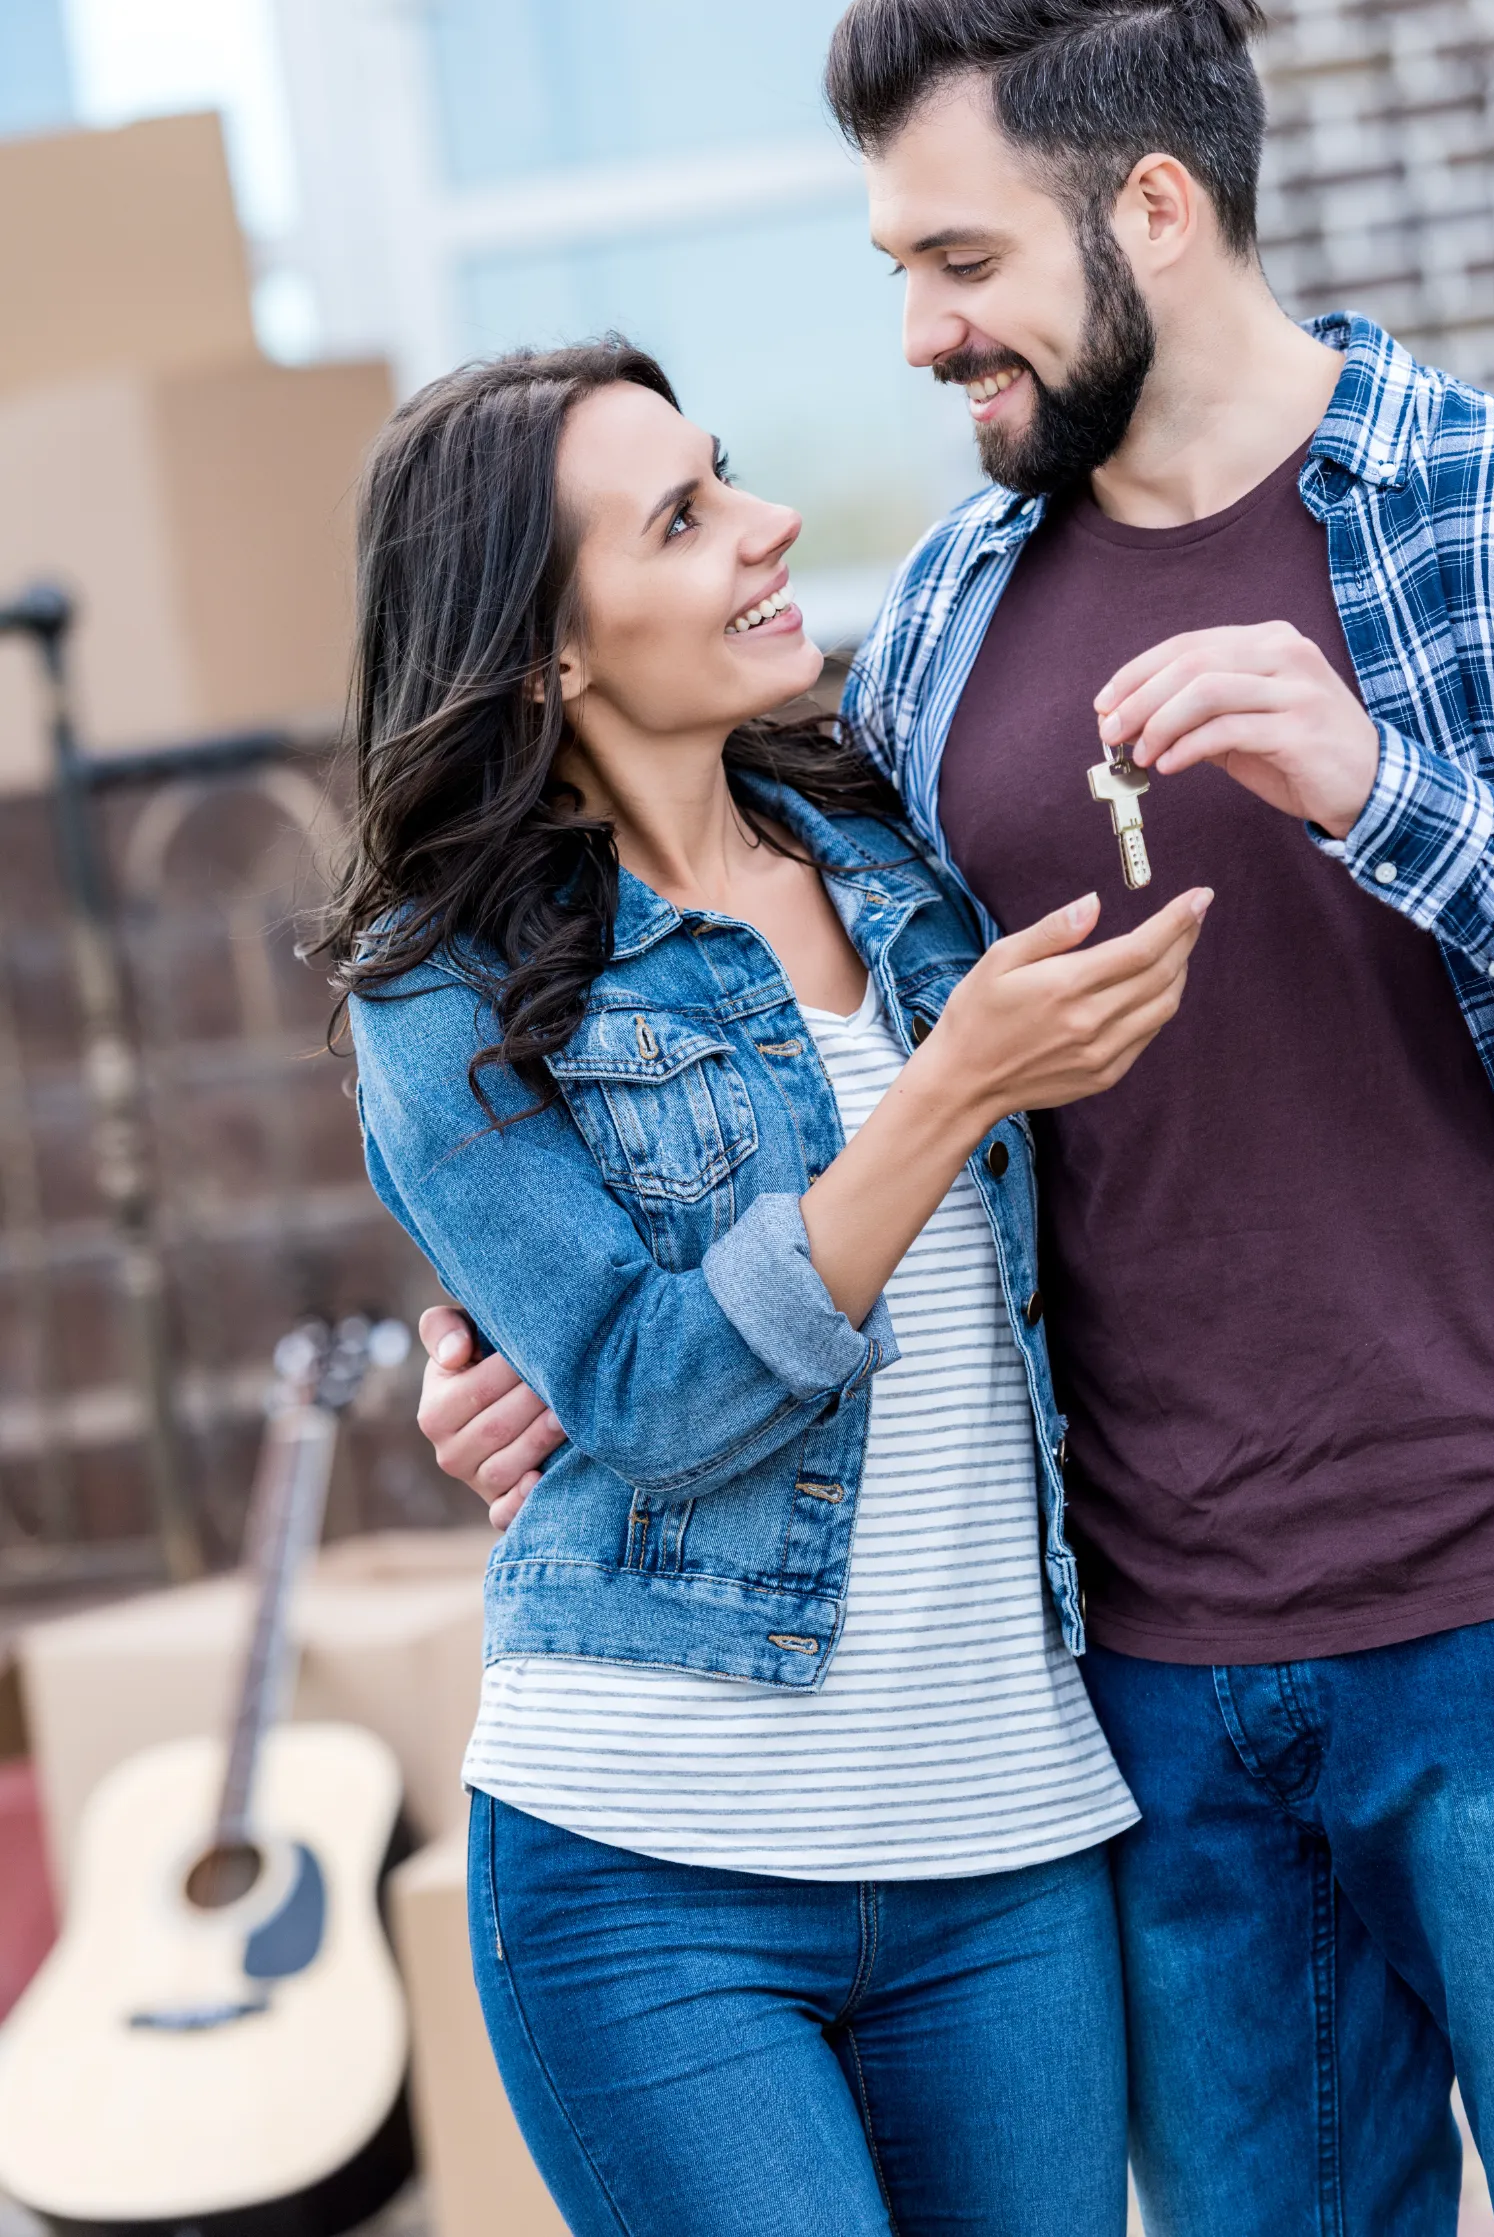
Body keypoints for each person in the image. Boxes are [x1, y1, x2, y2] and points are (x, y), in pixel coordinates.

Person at [419, 0, 1494, 2235]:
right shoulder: (943, 626)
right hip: (1147, 1684)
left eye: (962, 258)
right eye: (896, 262)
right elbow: (773, 1050)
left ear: (1153, 209)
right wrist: (535, 1331)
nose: (919, 330)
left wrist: (1387, 792)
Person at [328, 338, 1210, 2237]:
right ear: (549, 651)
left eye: (724, 474)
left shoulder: (901, 841)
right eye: (684, 517)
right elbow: (647, 1395)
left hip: (1007, 1844)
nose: (768, 523)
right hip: (656, 1872)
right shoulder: (440, 988)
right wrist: (947, 1085)